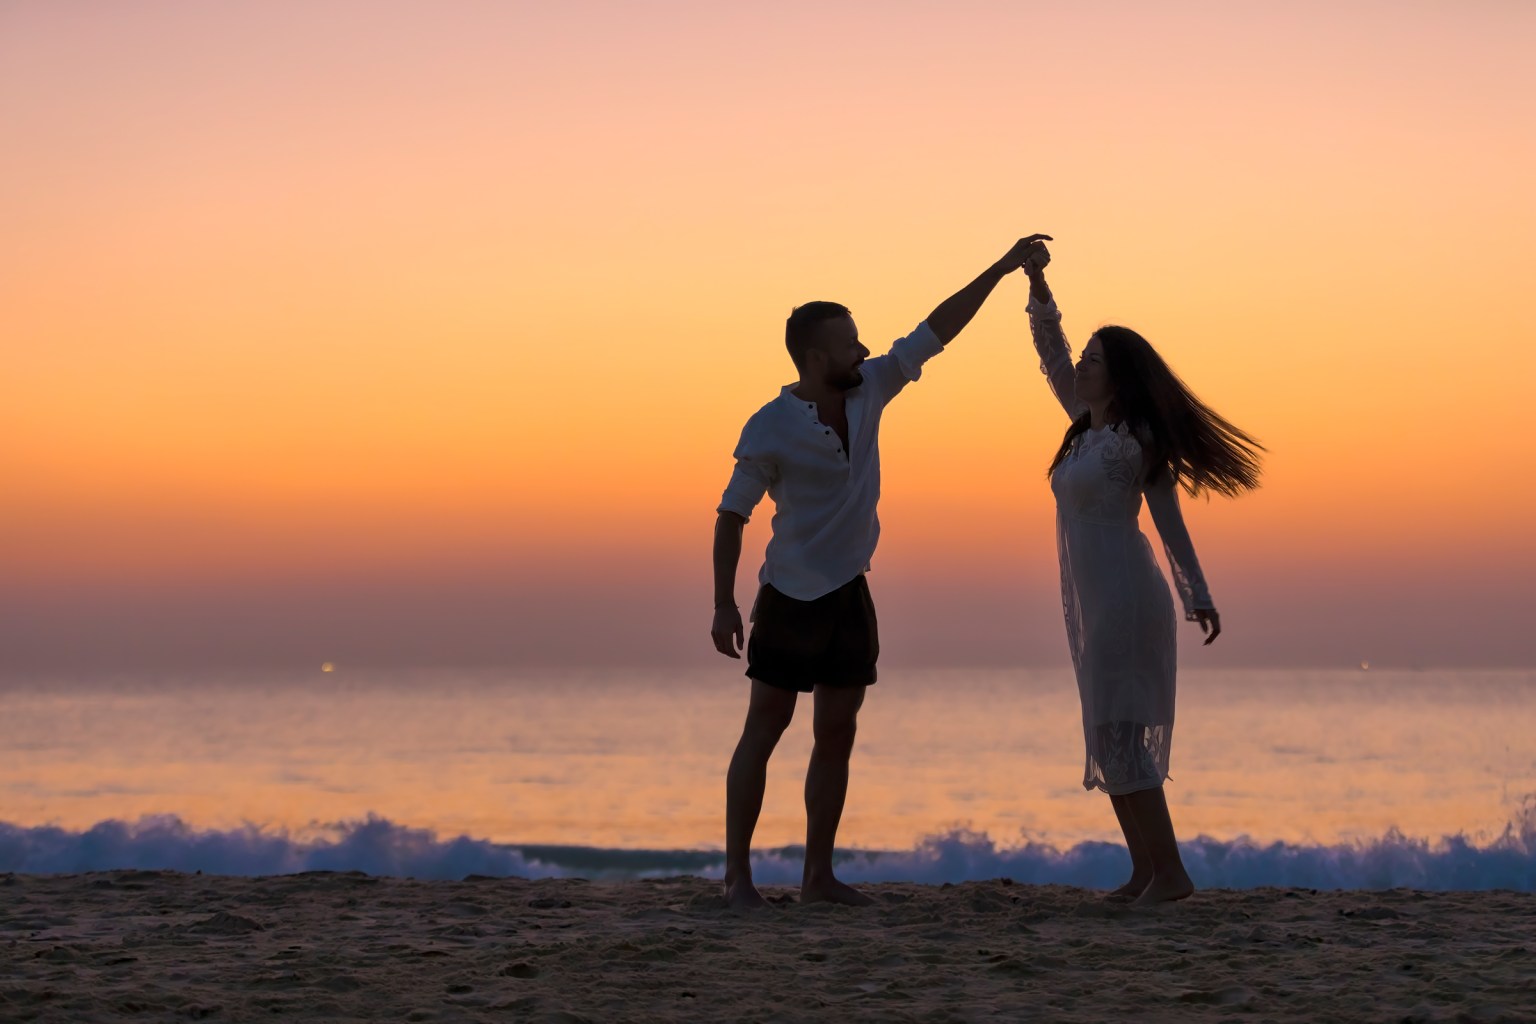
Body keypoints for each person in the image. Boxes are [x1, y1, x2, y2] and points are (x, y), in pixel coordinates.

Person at [711, 235, 1051, 910]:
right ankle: (737, 878)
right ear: (817, 357)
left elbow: (936, 329)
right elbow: (731, 514)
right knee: (765, 728)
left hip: (849, 595)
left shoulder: (873, 390)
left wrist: (1005, 266)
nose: (861, 351)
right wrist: (723, 603)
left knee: (836, 733)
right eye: (849, 343)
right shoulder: (771, 423)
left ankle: (817, 877)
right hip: (787, 596)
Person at [1022, 241, 1263, 905]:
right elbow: (1050, 353)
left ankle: (1173, 875)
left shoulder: (1135, 442)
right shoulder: (1083, 426)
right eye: (1086, 358)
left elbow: (1167, 520)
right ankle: (1143, 870)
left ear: (1117, 376)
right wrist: (1039, 288)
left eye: (1094, 359)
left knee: (1126, 730)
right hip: (1096, 605)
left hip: (1130, 599)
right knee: (1108, 732)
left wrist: (1199, 594)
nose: (1082, 365)